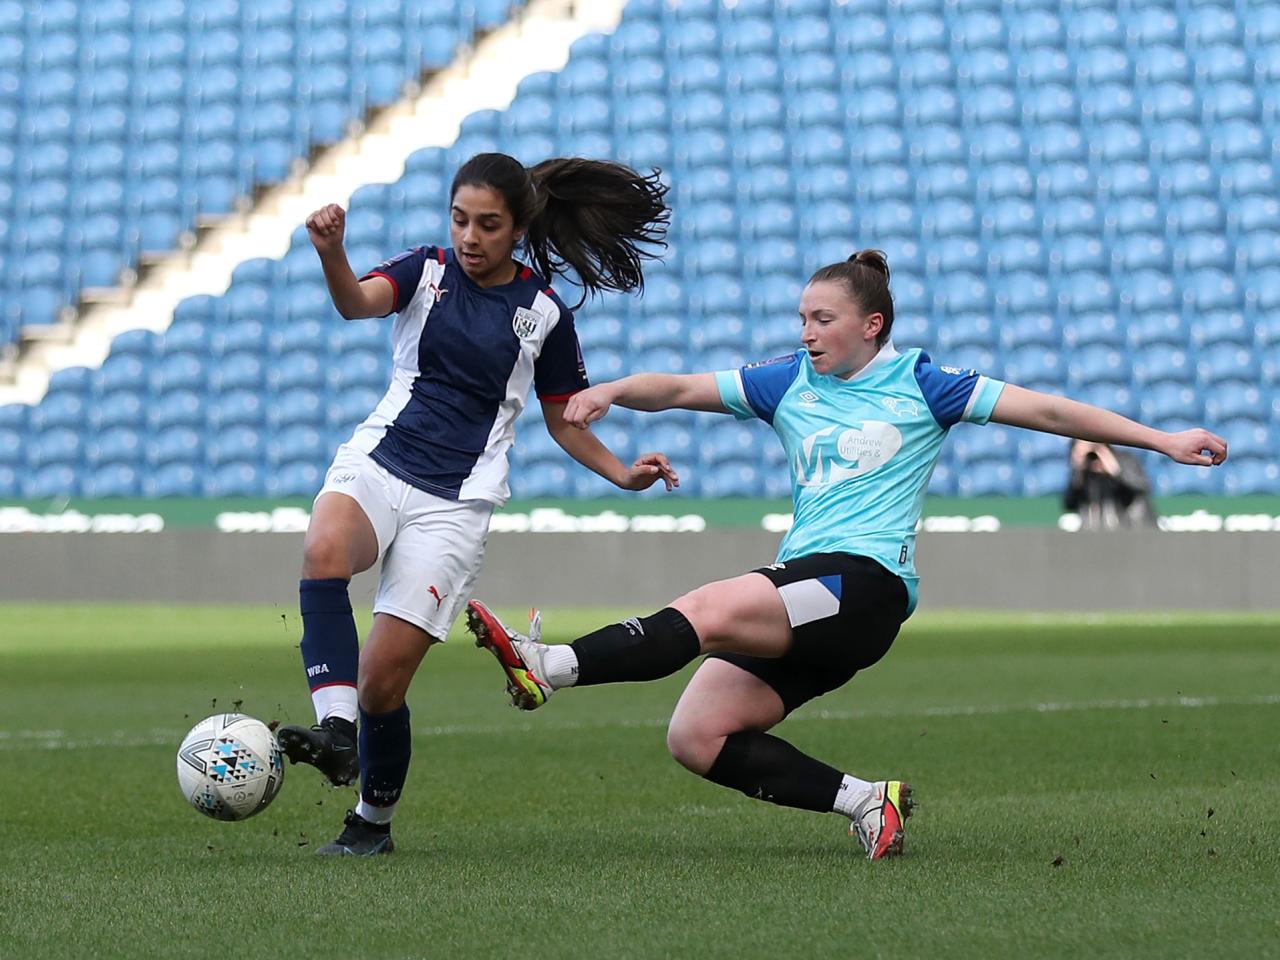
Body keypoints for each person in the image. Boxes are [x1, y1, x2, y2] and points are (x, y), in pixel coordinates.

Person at [465, 249, 1228, 860]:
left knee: (711, 607)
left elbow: (1051, 411)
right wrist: (614, 390)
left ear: (872, 325)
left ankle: (549, 666)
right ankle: (867, 801)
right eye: (802, 318)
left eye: (822, 320)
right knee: (696, 737)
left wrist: (1161, 440)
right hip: (810, 592)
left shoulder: (924, 384)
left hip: (865, 585)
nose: (807, 333)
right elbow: (682, 389)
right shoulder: (789, 382)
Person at [277, 153, 679, 856]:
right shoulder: (425, 271)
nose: (469, 236)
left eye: (488, 225)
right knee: (324, 549)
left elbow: (563, 421)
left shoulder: (544, 313)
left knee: (382, 686)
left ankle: (371, 823)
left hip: (456, 504)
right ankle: (337, 734)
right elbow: (355, 303)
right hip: (380, 462)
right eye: (460, 219)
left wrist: (623, 474)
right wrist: (332, 251)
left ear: (518, 228)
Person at [1063, 439, 1158, 529]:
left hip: (1130, 529)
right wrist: (1079, 469)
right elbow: (1069, 503)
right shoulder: (1083, 472)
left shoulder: (1124, 458)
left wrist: (1114, 470)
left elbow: (1142, 488)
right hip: (1096, 533)